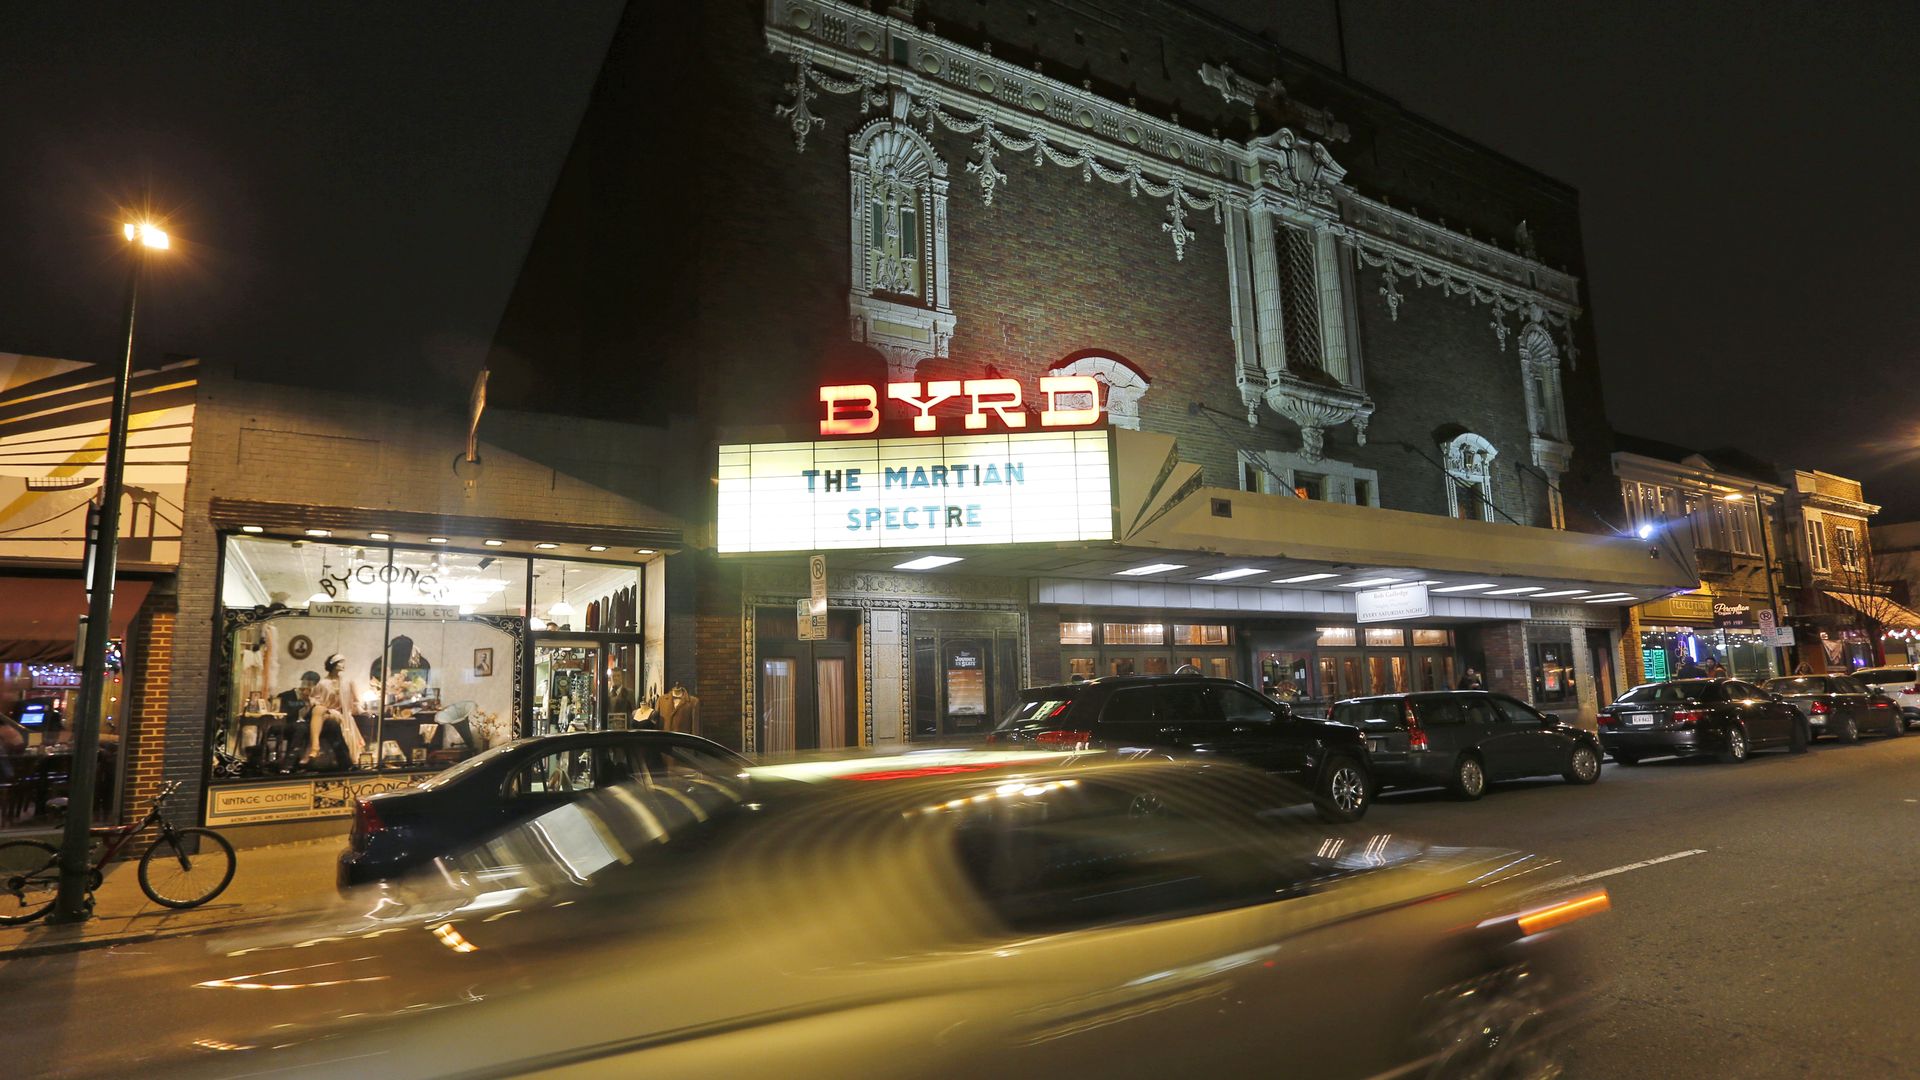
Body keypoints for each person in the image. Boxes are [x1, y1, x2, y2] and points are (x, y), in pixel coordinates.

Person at [302, 653, 368, 768]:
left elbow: (356, 701)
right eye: (340, 662)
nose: (343, 665)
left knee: (319, 710)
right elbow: (314, 699)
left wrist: (362, 711)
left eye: (343, 662)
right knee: (319, 709)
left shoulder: (348, 682)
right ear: (333, 664)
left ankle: (315, 748)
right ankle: (315, 747)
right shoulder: (323, 683)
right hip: (326, 712)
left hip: (342, 714)